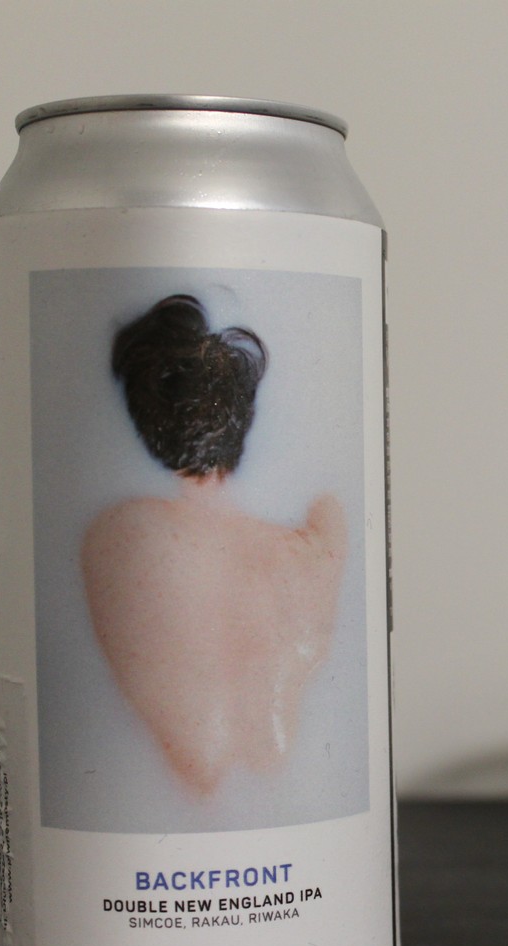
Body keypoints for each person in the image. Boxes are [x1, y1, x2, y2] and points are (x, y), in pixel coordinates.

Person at [82, 295, 348, 796]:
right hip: (284, 795)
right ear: (243, 413)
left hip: (176, 797)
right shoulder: (309, 551)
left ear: (144, 418)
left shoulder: (116, 534)